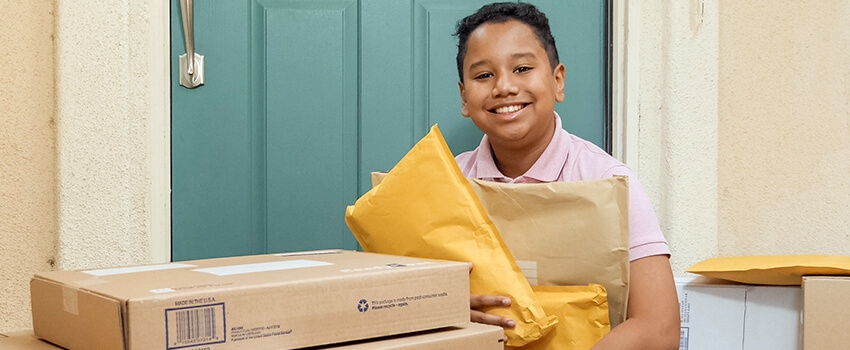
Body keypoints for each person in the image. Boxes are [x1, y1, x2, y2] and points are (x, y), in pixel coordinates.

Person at [452, 3, 680, 349]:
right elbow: (398, 302)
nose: (504, 87)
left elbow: (659, 327)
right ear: (465, 97)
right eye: (484, 75)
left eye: (522, 68)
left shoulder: (609, 182)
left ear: (558, 81)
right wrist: (441, 306)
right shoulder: (446, 182)